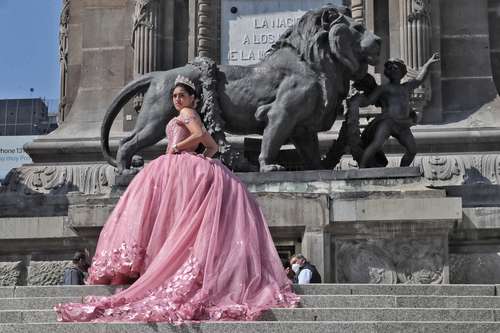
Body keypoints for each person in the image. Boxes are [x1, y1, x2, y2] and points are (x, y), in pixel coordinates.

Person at [54, 75, 299, 322]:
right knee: (177, 218)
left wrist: (180, 149)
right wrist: (203, 155)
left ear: (193, 98)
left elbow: (199, 133)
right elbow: (211, 145)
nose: (177, 99)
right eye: (174, 96)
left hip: (178, 166)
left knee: (168, 216)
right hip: (179, 167)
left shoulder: (188, 114)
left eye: (182, 95)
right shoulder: (185, 115)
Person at [359, 53, 440, 168]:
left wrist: (429, 62)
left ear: (402, 72)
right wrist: (357, 100)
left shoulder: (406, 87)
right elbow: (368, 101)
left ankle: (403, 170)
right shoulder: (384, 88)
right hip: (388, 121)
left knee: (412, 150)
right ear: (387, 72)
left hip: (402, 124)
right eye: (390, 68)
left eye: (396, 68)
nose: (393, 70)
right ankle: (361, 168)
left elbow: (419, 79)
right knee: (376, 144)